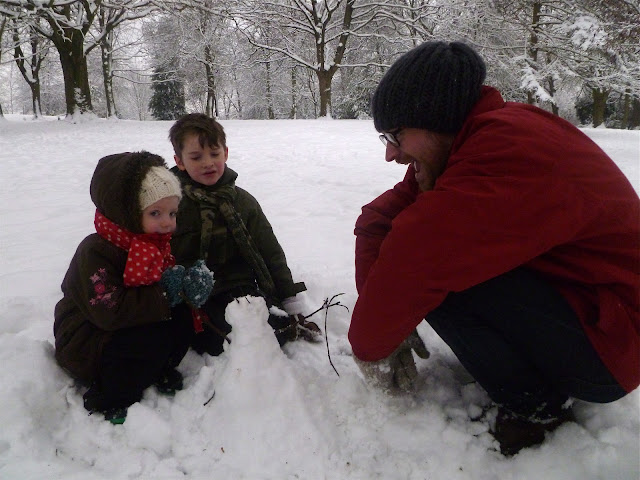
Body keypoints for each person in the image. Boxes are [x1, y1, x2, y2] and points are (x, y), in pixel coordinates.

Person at [348, 41, 639, 455]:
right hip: (593, 307)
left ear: (435, 120)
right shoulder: (469, 141)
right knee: (431, 275)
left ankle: (536, 409)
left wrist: (371, 348)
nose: (391, 154)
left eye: (396, 135)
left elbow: (414, 261)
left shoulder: (505, 153)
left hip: (615, 345)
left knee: (441, 281)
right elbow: (379, 219)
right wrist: (386, 323)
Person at [53, 151, 209, 424]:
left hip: (128, 322)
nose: (167, 222)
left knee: (180, 319)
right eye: (155, 213)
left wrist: (186, 289)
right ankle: (109, 396)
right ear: (126, 213)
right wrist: (165, 294)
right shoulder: (96, 251)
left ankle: (154, 370)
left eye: (172, 213)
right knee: (142, 340)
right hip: (88, 338)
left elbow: (160, 292)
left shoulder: (153, 242)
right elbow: (109, 311)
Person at [168, 113, 321, 356]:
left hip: (241, 287)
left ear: (226, 153)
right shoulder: (171, 205)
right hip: (194, 293)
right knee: (216, 341)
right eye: (196, 157)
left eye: (214, 154)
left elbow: (270, 252)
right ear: (180, 161)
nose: (208, 163)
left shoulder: (243, 202)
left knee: (271, 330)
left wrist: (289, 300)